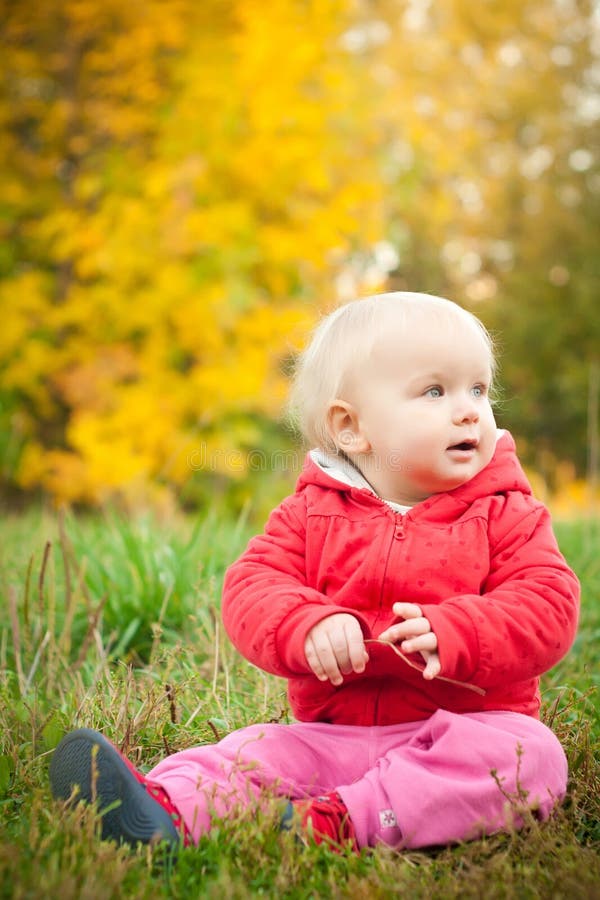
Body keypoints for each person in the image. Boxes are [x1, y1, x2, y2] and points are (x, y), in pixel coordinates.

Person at [50, 291, 580, 852]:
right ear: (350, 427)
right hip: (331, 739)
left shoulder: (505, 511)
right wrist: (305, 623)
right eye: (434, 391)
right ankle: (162, 811)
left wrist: (461, 632)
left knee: (531, 758)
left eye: (478, 389)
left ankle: (336, 823)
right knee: (254, 751)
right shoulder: (311, 513)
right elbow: (253, 587)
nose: (470, 408)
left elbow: (548, 602)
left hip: (463, 730)